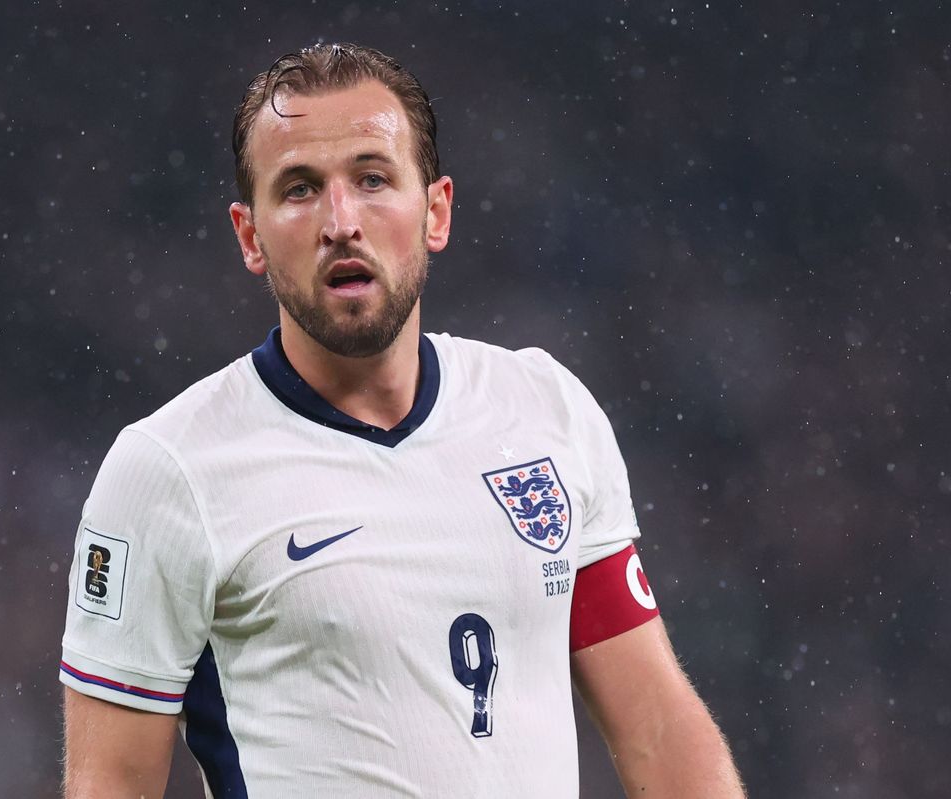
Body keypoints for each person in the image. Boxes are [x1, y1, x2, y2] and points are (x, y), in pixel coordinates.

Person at [59, 43, 745, 799]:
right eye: (299, 189)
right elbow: (110, 784)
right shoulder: (168, 470)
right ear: (250, 236)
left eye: (372, 179)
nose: (340, 221)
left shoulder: (545, 409)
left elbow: (658, 729)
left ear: (436, 211)